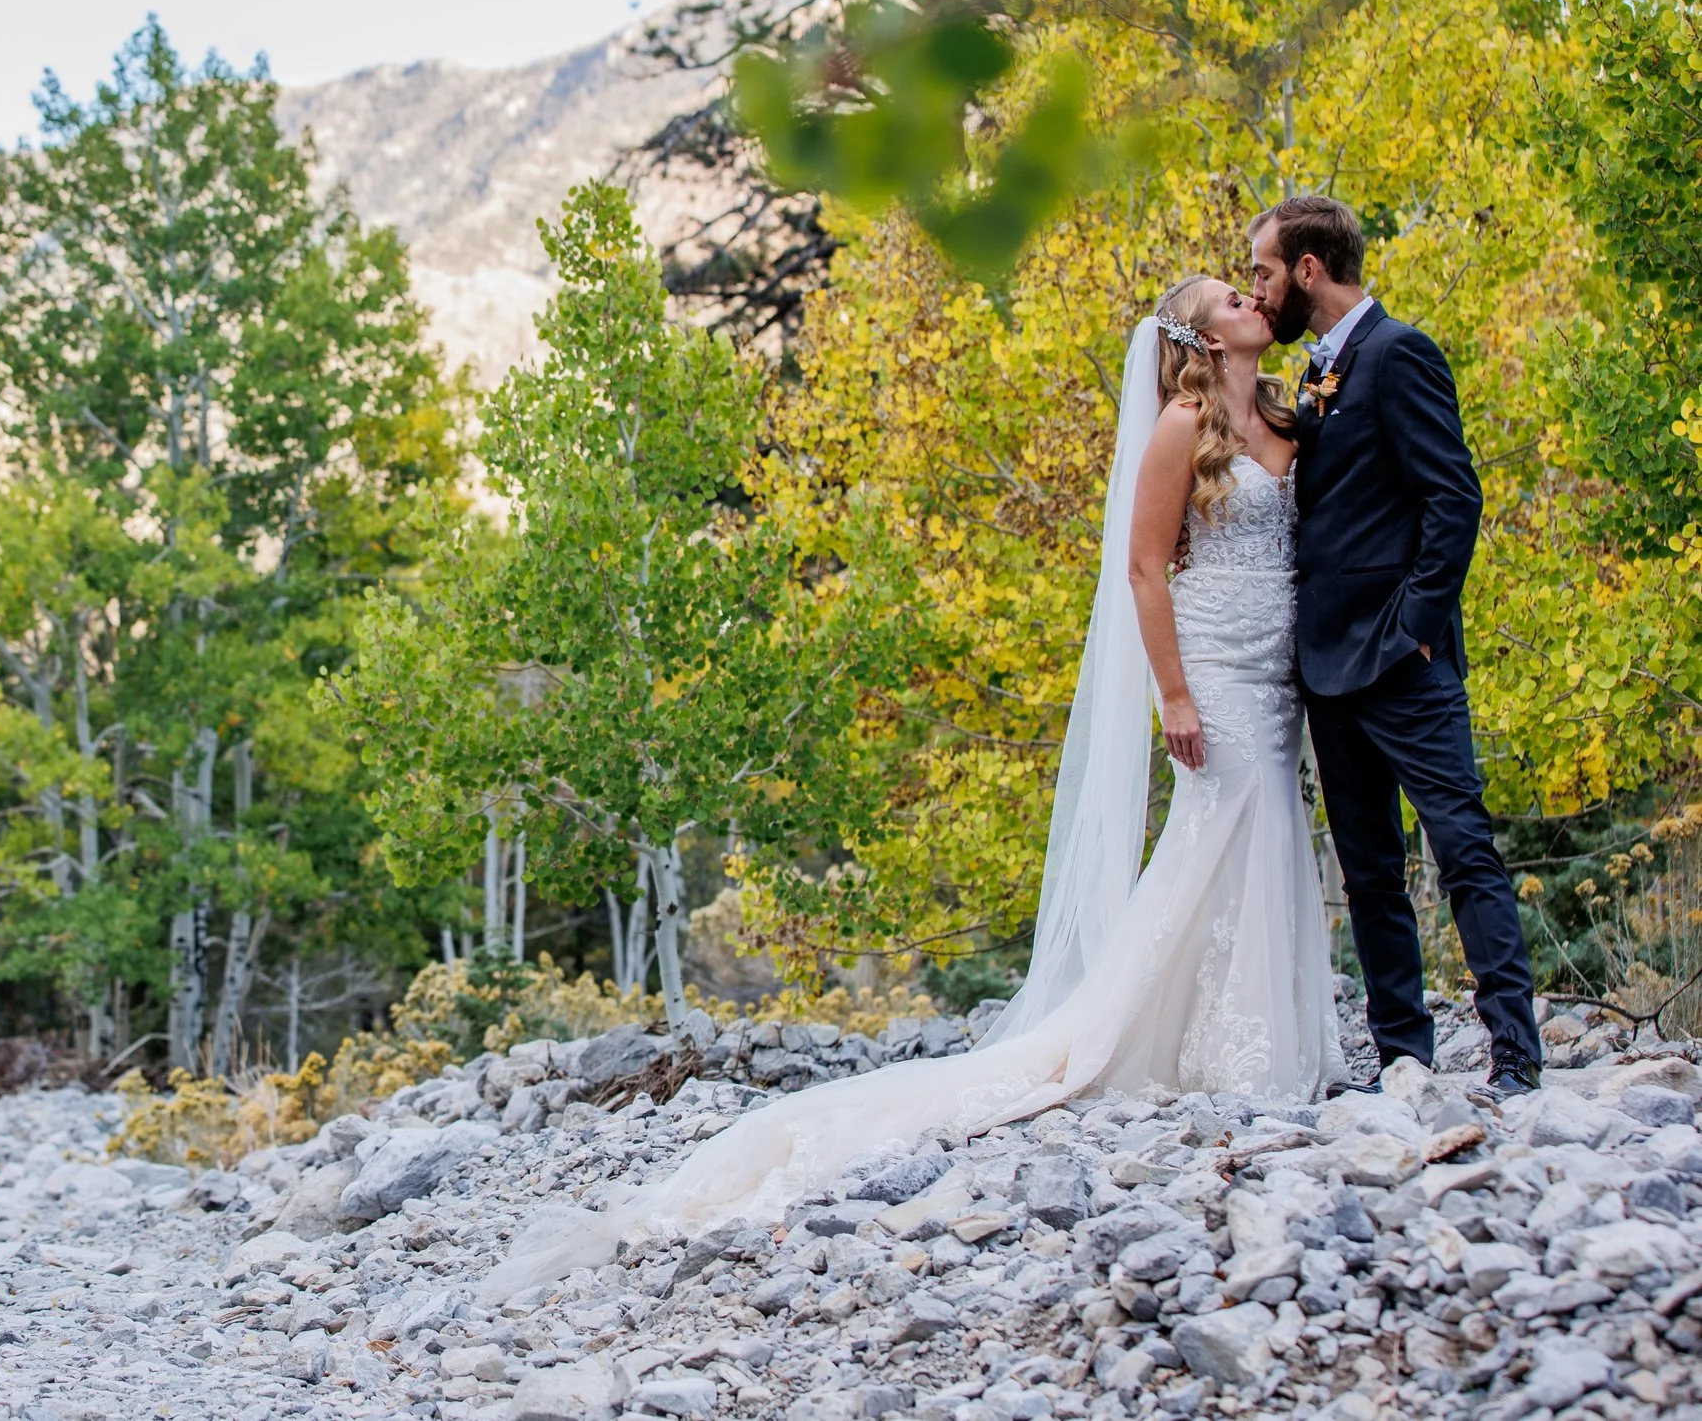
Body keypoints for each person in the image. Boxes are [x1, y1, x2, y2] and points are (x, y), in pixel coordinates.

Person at [484, 274, 1346, 1299]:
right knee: (1217, 829)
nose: (1254, 300)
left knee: (1266, 829)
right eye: (1230, 296)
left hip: (1276, 663)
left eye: (1251, 290)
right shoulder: (1179, 427)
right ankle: (1199, 1046)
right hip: (1208, 663)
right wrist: (1171, 694)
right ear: (1199, 335)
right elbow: (1145, 568)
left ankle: (1250, 1029)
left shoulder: (1290, 414)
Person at [1250, 195, 1540, 1098]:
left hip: (1401, 663)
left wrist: (1413, 629)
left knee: (1462, 849)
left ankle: (1517, 1059)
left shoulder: (1399, 352)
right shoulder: (1313, 377)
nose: (1257, 289)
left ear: (1307, 269)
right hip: (1328, 671)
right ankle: (1404, 1055)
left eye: (1264, 270)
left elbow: (1454, 500)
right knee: (1371, 873)